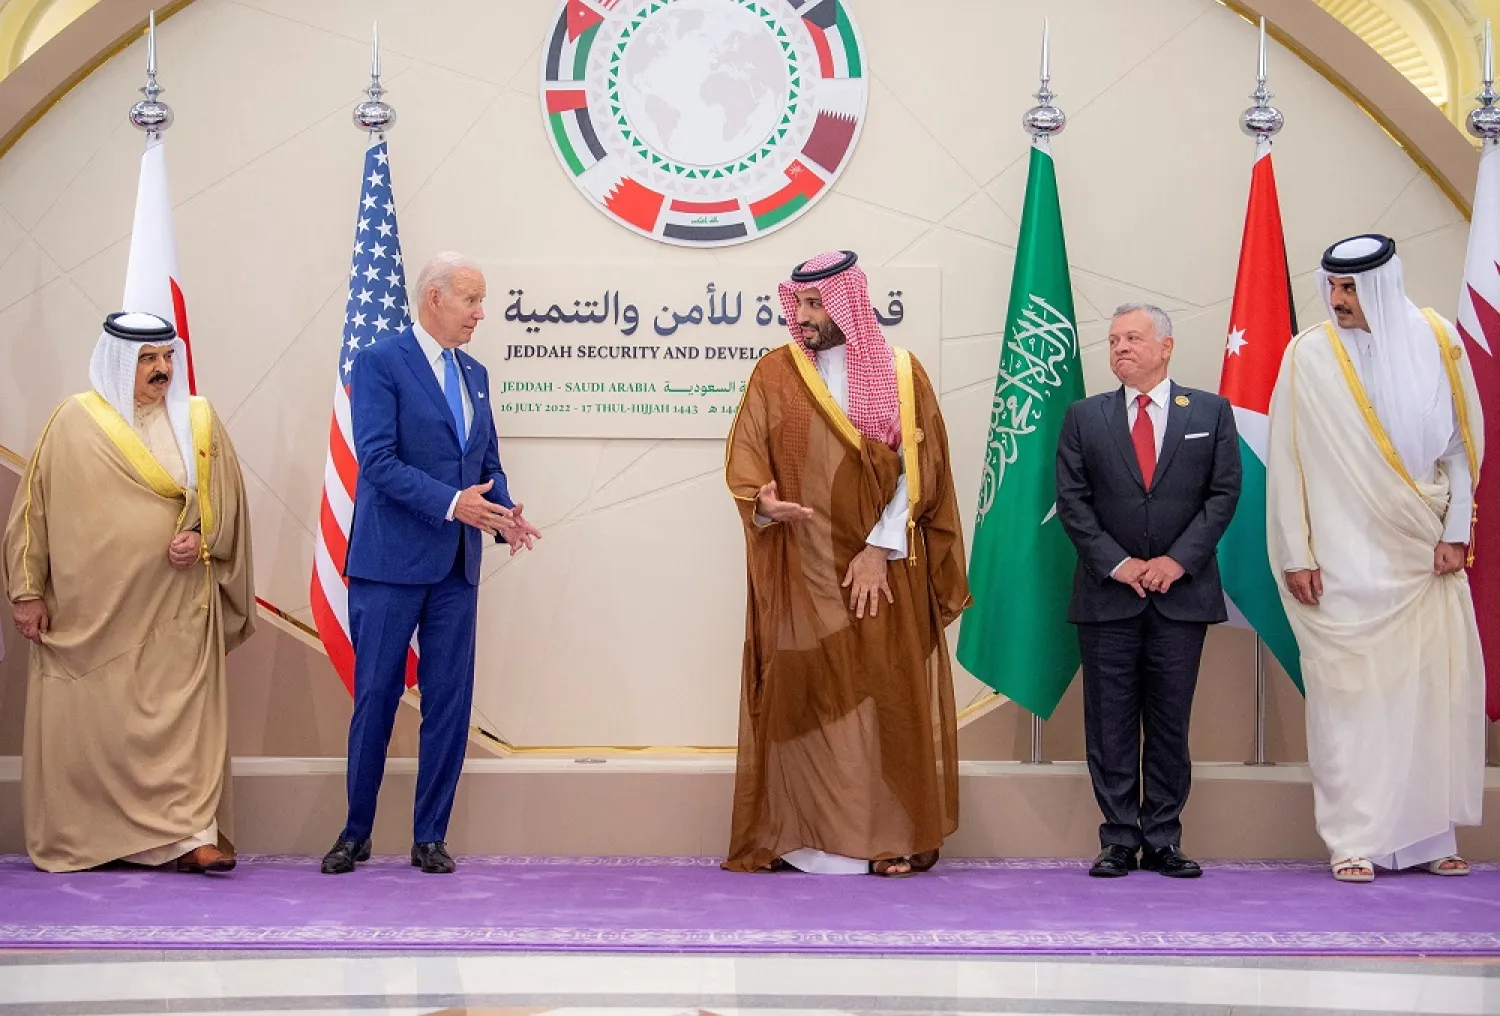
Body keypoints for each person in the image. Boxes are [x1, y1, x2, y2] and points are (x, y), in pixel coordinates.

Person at [722, 250, 969, 877]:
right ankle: (801, 836)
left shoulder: (901, 372)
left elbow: (921, 469)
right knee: (806, 694)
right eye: (798, 304)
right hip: (802, 568)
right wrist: (762, 505)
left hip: (882, 568)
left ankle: (888, 838)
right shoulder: (775, 373)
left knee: (884, 692)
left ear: (846, 305)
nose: (803, 316)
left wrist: (878, 550)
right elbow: (747, 461)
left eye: (815, 304)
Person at [3, 311, 255, 874]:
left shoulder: (198, 421)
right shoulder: (71, 422)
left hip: (177, 610)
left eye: (166, 356)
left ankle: (190, 838)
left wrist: (202, 538)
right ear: (118, 361)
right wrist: (26, 591)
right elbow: (33, 512)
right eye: (147, 359)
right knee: (95, 729)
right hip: (91, 615)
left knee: (183, 724)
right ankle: (95, 838)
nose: (161, 369)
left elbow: (226, 505)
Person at [1267, 234, 1484, 883]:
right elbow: (1287, 460)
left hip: (1422, 553)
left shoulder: (1436, 339)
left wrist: (1455, 532)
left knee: (1428, 696)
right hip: (1341, 562)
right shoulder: (1307, 355)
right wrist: (1297, 553)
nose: (1336, 299)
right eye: (1333, 286)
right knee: (1350, 702)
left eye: (1350, 288)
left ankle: (1429, 837)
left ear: (1382, 286)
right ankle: (1354, 840)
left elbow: (1459, 449)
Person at [321, 253, 541, 876]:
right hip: (390, 563)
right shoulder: (380, 362)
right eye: (471, 300)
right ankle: (355, 833)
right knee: (376, 697)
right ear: (434, 298)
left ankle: (430, 837)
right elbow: (377, 460)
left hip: (455, 569)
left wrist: (502, 513)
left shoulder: (475, 374)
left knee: (449, 702)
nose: (480, 313)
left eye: (482, 300)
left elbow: (486, 463)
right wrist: (452, 504)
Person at [1055, 304, 1242, 879]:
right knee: (1109, 724)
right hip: (1107, 595)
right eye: (1113, 340)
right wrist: (1118, 564)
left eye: (1133, 338)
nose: (1120, 348)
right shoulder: (1084, 416)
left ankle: (1163, 838)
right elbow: (1072, 500)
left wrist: (1176, 561)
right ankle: (1118, 839)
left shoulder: (1209, 412)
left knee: (1168, 722)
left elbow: (1223, 494)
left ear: (1166, 346)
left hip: (1180, 597)